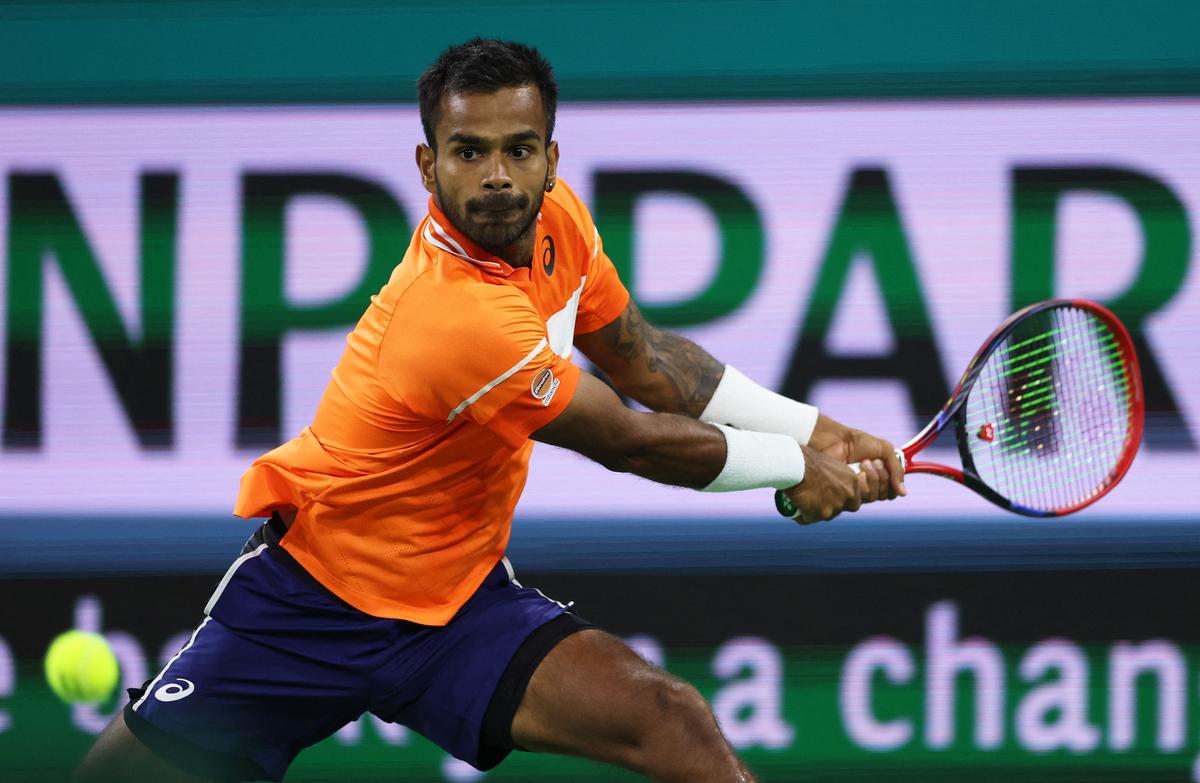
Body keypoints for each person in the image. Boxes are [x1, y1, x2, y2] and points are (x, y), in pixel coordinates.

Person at [75, 38, 904, 783]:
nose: (497, 176)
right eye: (469, 152)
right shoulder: (454, 318)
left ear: (551, 158)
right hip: (312, 602)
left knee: (670, 719)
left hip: (459, 603)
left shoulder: (561, 224)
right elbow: (631, 441)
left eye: (519, 149)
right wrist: (800, 469)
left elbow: (646, 361)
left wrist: (814, 429)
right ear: (428, 165)